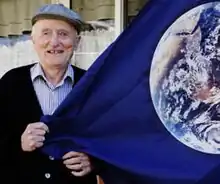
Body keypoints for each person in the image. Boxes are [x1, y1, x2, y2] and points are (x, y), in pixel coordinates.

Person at [0, 3, 98, 184]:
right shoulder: (10, 83)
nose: (54, 42)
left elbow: (109, 139)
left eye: (63, 34)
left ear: (77, 41)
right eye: (46, 33)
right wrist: (18, 144)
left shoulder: (91, 86)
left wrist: (94, 162)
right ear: (33, 40)